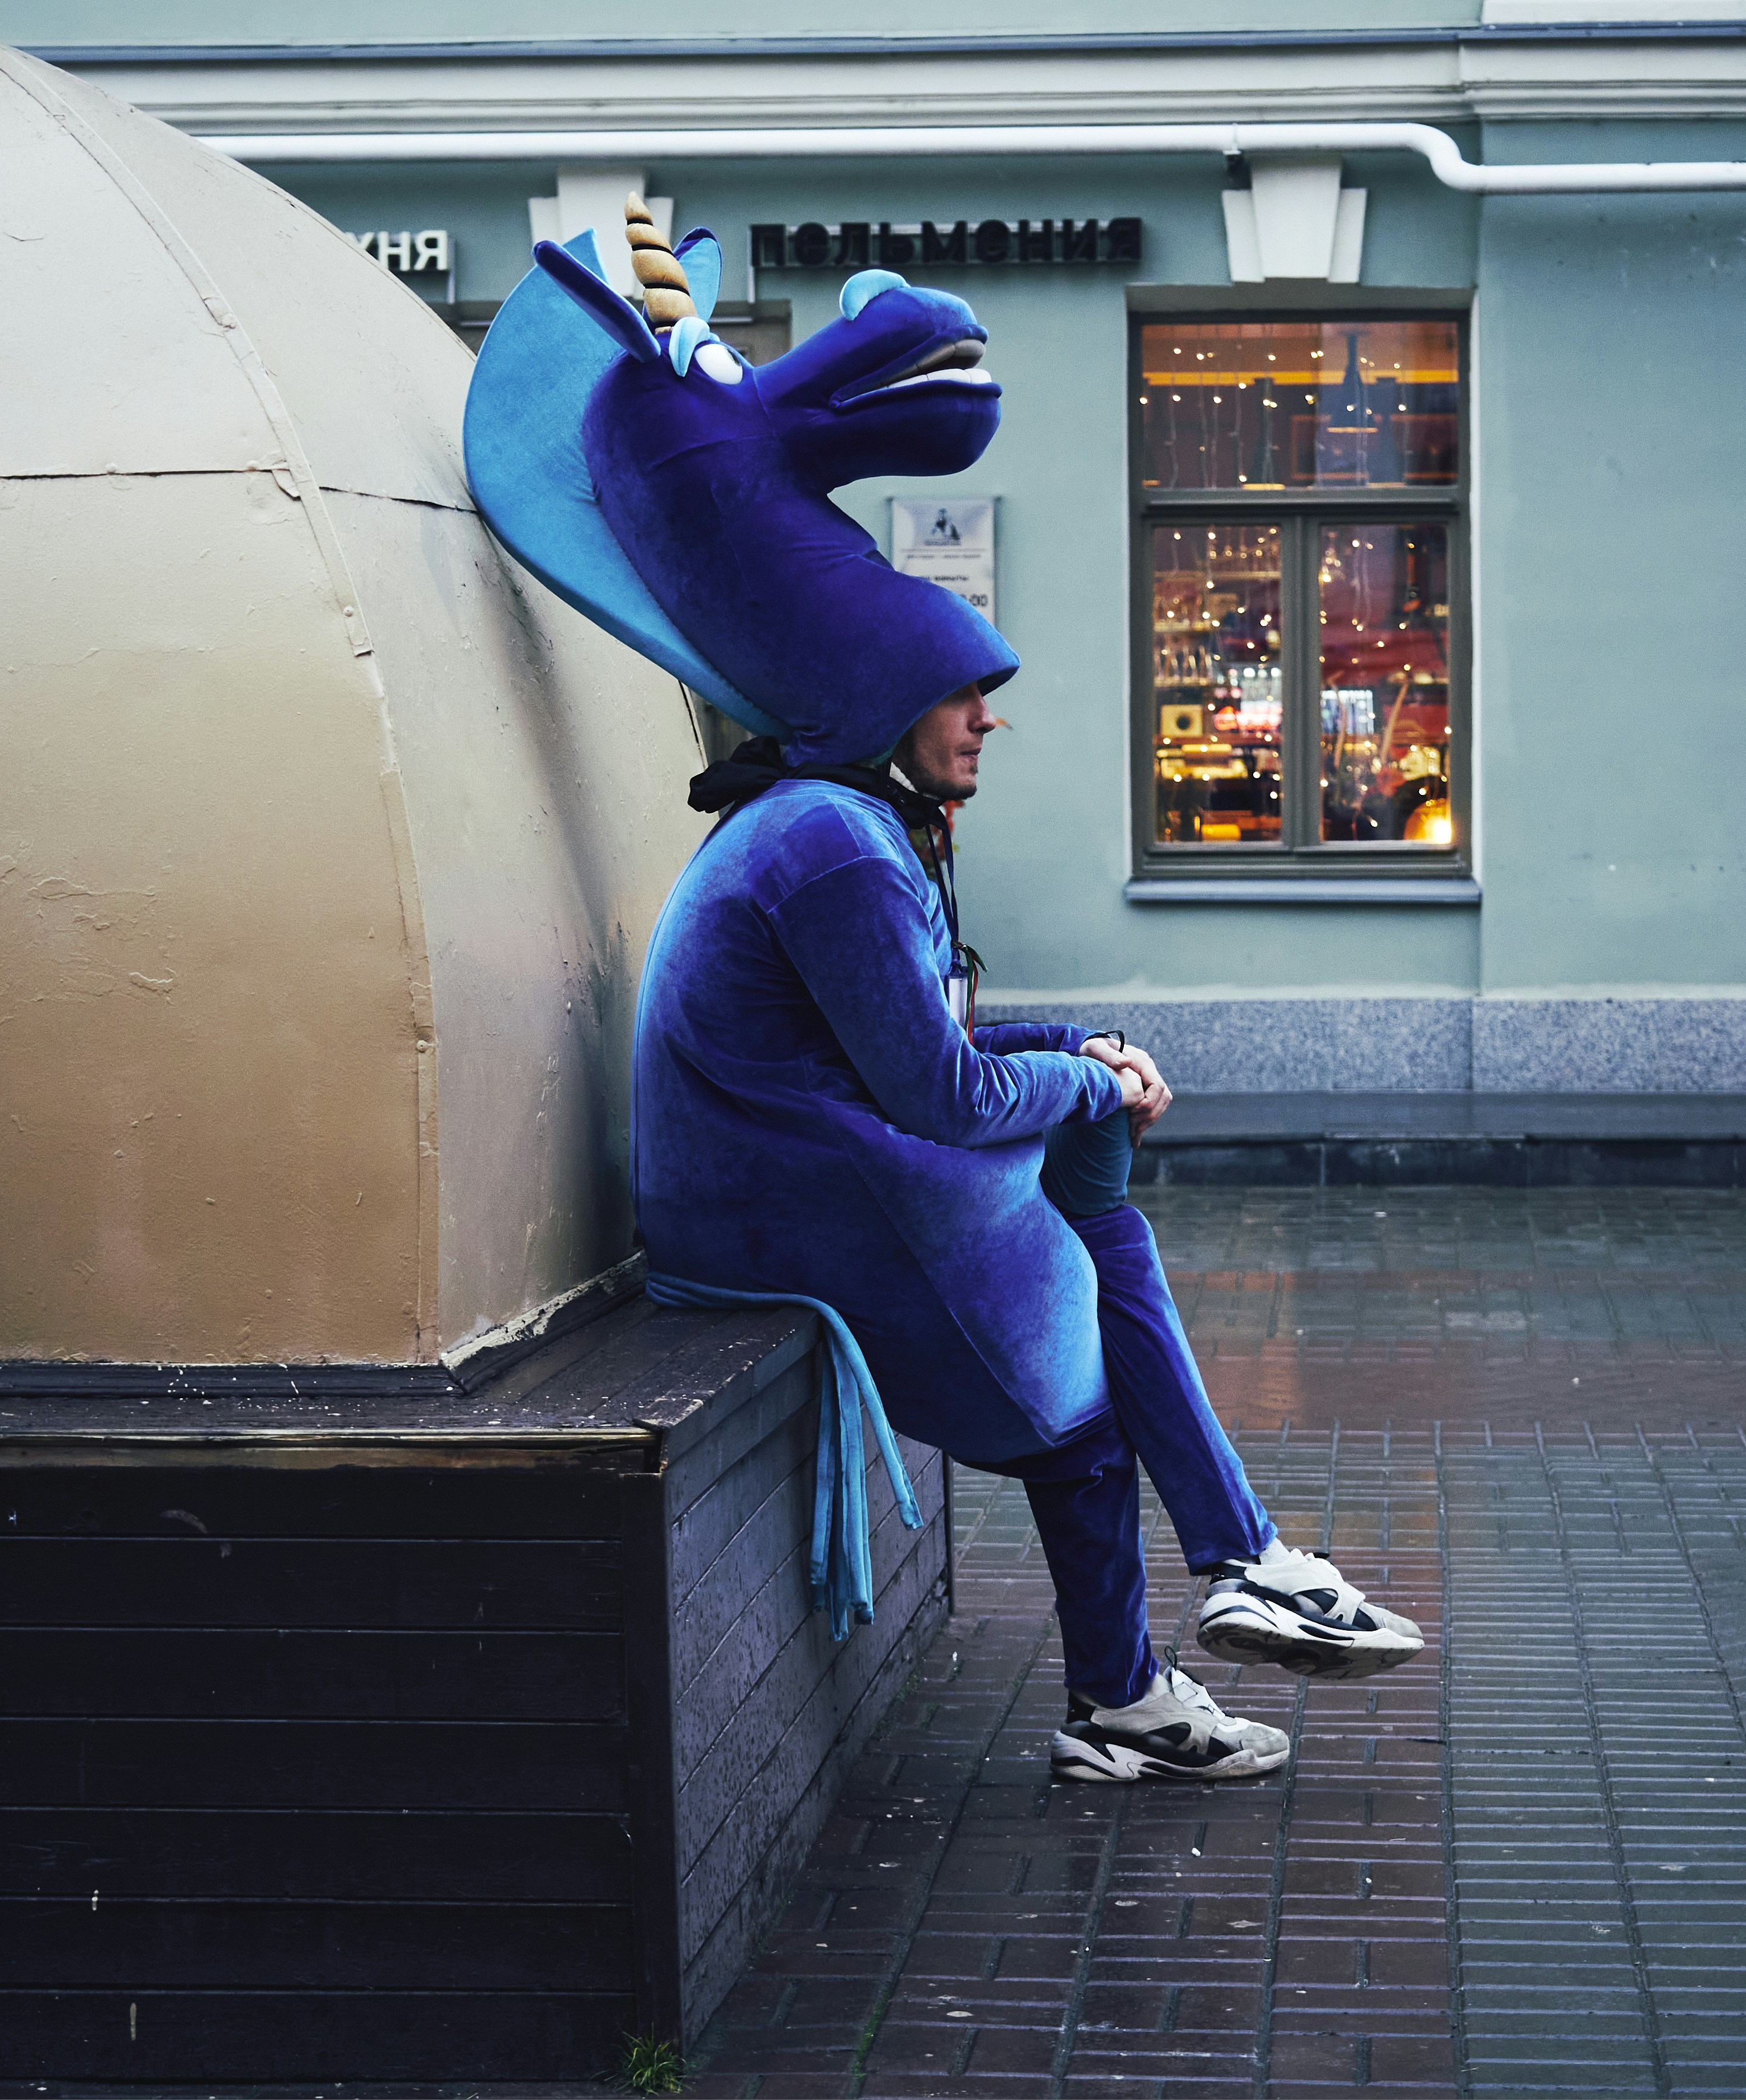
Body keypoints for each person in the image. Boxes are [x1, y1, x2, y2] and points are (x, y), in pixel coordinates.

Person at [460, 203, 1420, 1784]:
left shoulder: (829, 825)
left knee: (1098, 1244)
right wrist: (1087, 1080)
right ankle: (1182, 1624)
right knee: (1083, 1360)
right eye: (962, 689)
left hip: (787, 1174)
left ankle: (1208, 1598)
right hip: (774, 1209)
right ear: (885, 696)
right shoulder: (833, 845)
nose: (986, 718)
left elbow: (918, 1044)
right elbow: (939, 1093)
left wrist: (1079, 1050)